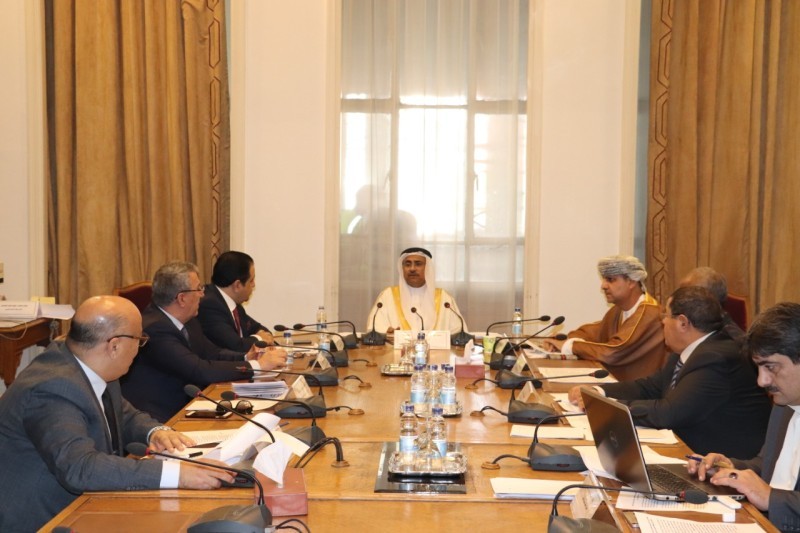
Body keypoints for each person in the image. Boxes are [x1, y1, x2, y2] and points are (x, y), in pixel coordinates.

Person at [0, 296, 235, 532]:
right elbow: (80, 468)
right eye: (140, 340)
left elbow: (122, 412)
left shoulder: (88, 362)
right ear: (114, 346)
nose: (140, 348)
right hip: (44, 520)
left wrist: (155, 432)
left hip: (85, 504)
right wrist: (178, 475)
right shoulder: (53, 388)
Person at [568, 286, 770, 458]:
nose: (662, 322)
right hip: (687, 448)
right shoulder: (689, 350)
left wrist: (602, 407)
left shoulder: (716, 357)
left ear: (683, 323)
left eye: (665, 315)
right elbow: (650, 387)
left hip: (719, 463)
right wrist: (599, 392)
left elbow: (668, 412)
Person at [121, 261, 286, 422]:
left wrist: (246, 357)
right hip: (161, 416)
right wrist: (257, 366)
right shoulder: (155, 329)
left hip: (190, 404)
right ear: (182, 298)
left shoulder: (188, 319)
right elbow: (199, 369)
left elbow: (212, 353)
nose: (203, 294)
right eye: (199, 289)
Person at [689, 303, 800, 531]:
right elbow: (769, 464)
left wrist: (770, 497)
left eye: (771, 367)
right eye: (759, 368)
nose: (762, 381)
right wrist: (730, 469)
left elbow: (771, 491)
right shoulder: (784, 405)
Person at [544, 255, 667, 381]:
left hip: (641, 390)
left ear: (631, 282)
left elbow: (614, 352)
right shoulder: (618, 310)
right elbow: (595, 332)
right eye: (604, 279)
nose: (603, 286)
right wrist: (564, 339)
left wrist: (568, 346)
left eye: (610, 280)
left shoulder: (649, 313)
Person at [366, 247, 467, 335]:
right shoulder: (388, 296)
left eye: (418, 264)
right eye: (407, 264)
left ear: (428, 268)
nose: (412, 269)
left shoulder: (444, 299)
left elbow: (458, 331)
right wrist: (385, 334)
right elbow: (374, 329)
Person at [198, 251, 274, 351]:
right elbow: (235, 346)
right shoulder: (209, 305)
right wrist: (259, 338)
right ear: (237, 285)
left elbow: (260, 329)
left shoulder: (233, 303)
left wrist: (262, 335)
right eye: (251, 280)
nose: (254, 285)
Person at [679, 266, 745, 343]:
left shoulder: (728, 340)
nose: (680, 302)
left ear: (706, 302)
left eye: (687, 297)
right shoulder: (694, 324)